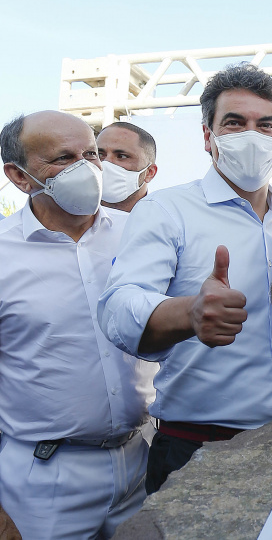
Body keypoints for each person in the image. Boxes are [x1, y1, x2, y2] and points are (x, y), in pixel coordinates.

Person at [98, 63, 272, 495]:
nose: (251, 134)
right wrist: (189, 311)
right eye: (234, 123)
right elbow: (119, 308)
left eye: (264, 125)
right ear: (207, 137)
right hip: (194, 449)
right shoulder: (167, 210)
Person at [0, 111, 149, 539]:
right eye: (64, 158)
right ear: (20, 176)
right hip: (43, 481)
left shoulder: (139, 233)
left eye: (91, 154)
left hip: (139, 462)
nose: (85, 168)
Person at [98, 121, 159, 212]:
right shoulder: (72, 217)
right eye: (99, 155)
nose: (106, 162)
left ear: (149, 172)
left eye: (122, 156)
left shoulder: (167, 220)